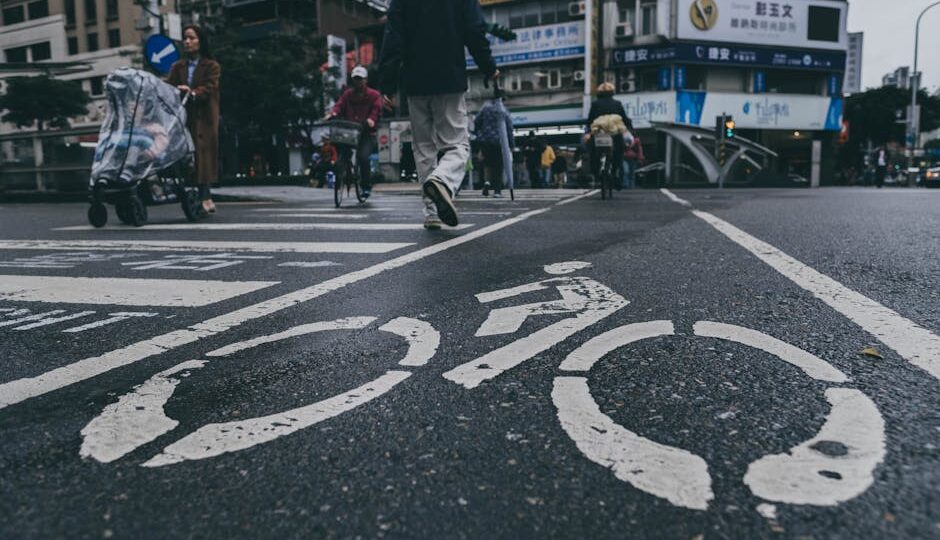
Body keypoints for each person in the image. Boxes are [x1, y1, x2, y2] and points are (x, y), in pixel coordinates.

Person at [378, 0, 498, 230]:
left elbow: (393, 38)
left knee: (423, 148)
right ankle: (443, 179)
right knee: (456, 145)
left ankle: (432, 212)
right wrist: (488, 66)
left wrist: (387, 84)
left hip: (415, 82)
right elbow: (474, 29)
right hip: (449, 77)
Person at [167, 25, 220, 214]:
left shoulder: (211, 66)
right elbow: (169, 86)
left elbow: (210, 87)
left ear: (200, 41)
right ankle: (196, 195)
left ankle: (205, 196)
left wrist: (193, 92)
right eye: (185, 38)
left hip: (204, 116)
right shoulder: (177, 66)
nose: (187, 42)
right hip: (184, 116)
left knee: (202, 154)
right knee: (187, 155)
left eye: (192, 38)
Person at [327, 65, 382, 199]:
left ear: (366, 80)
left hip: (367, 133)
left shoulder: (374, 95)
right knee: (342, 152)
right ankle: (344, 171)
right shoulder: (347, 94)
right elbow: (339, 105)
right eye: (355, 79)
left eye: (360, 79)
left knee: (363, 157)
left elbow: (377, 109)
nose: (358, 82)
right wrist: (333, 113)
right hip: (350, 132)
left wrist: (371, 119)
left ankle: (366, 186)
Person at [586, 82, 630, 184]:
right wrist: (629, 127)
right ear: (612, 92)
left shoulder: (595, 104)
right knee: (619, 151)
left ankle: (595, 173)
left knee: (592, 150)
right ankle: (615, 171)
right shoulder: (617, 103)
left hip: (599, 134)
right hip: (614, 134)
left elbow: (590, 120)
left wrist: (588, 131)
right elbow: (624, 118)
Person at [473, 88, 514, 198]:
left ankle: (487, 183)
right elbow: (509, 129)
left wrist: (479, 133)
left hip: (486, 141)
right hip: (500, 142)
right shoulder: (505, 112)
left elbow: (476, 121)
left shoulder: (485, 109)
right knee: (498, 166)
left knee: (487, 164)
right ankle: (497, 191)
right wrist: (511, 145)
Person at [622, 119, 645, 189]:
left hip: (633, 158)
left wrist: (640, 157)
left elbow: (639, 148)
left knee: (632, 173)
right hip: (624, 157)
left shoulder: (635, 138)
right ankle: (626, 185)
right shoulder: (622, 135)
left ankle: (631, 187)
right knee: (626, 171)